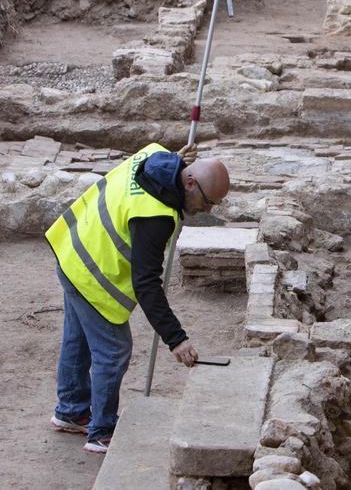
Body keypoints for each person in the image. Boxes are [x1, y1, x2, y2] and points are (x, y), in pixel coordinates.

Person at [45, 142, 230, 454]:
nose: (207, 210)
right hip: (91, 271)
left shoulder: (155, 155)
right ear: (189, 182)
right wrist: (177, 339)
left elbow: (164, 164)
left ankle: (71, 410)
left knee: (77, 339)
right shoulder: (155, 216)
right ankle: (101, 431)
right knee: (114, 348)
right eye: (208, 201)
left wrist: (176, 158)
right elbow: (146, 284)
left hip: (71, 247)